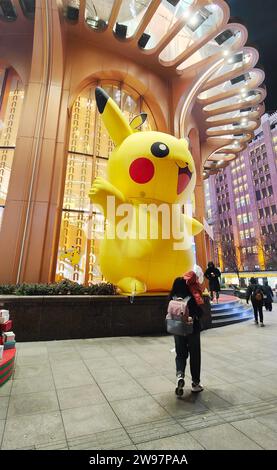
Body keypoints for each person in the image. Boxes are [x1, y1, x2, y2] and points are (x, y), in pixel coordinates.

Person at [169, 273, 204, 396]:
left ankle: (180, 376)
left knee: (180, 354)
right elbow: (200, 312)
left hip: (177, 330)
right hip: (192, 329)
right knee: (195, 355)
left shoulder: (172, 297)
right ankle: (195, 383)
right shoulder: (191, 297)